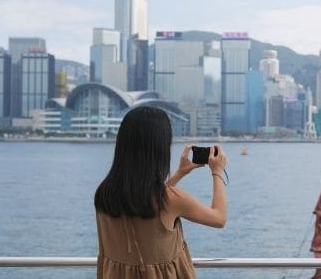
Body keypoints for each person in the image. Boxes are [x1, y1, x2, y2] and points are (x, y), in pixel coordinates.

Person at [94, 106, 228, 279]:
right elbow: (219, 218)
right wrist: (216, 172)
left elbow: (146, 205)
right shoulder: (173, 199)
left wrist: (179, 174)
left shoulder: (104, 193)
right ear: (160, 148)